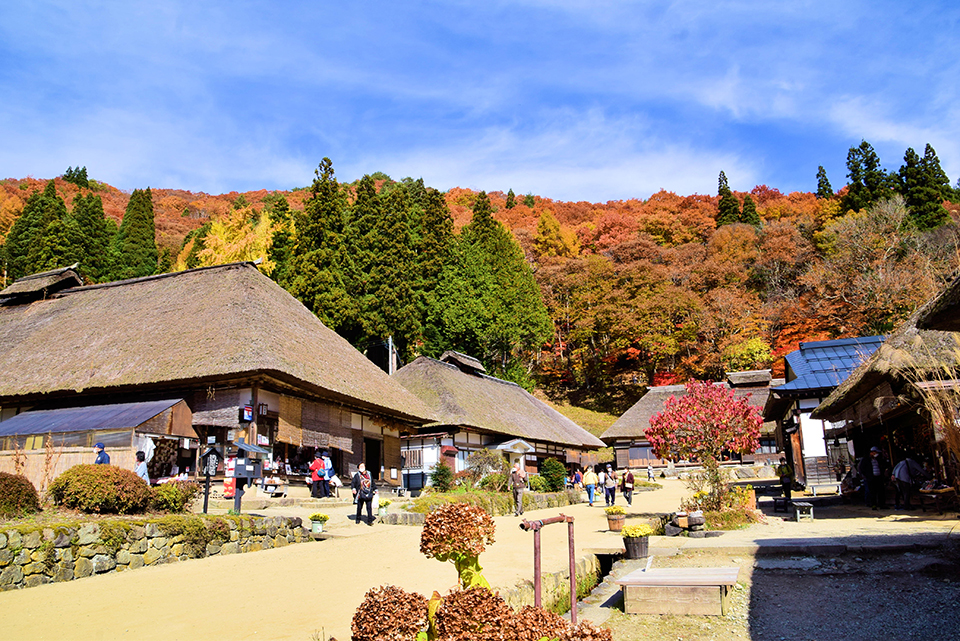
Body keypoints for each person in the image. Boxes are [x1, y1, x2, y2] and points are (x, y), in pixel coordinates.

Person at [858, 446, 889, 510]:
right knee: (872, 492)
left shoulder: (878, 459)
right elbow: (861, 469)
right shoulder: (866, 460)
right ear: (872, 452)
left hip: (878, 477)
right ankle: (873, 504)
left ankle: (881, 504)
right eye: (875, 453)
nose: (876, 454)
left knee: (881, 491)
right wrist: (865, 476)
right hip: (871, 478)